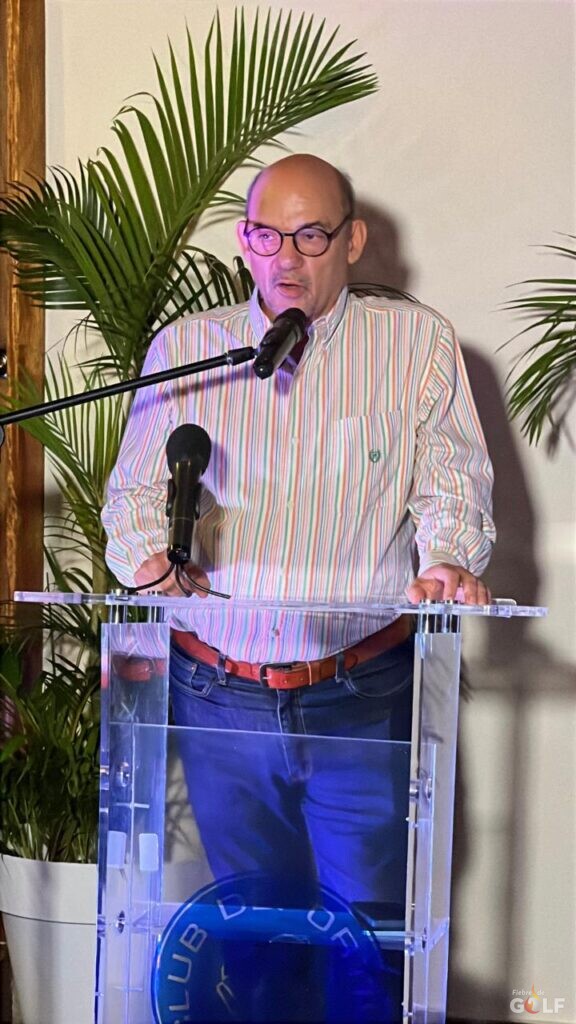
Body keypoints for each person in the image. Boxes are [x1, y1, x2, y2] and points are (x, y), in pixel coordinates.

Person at [102, 153, 495, 1020]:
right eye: (265, 235)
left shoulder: (415, 346)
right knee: (255, 942)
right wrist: (148, 561)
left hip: (360, 691)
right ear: (244, 242)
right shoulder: (186, 351)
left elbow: (452, 483)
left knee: (366, 941)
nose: (285, 258)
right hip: (217, 696)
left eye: (311, 235)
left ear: (352, 240)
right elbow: (130, 498)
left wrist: (447, 556)